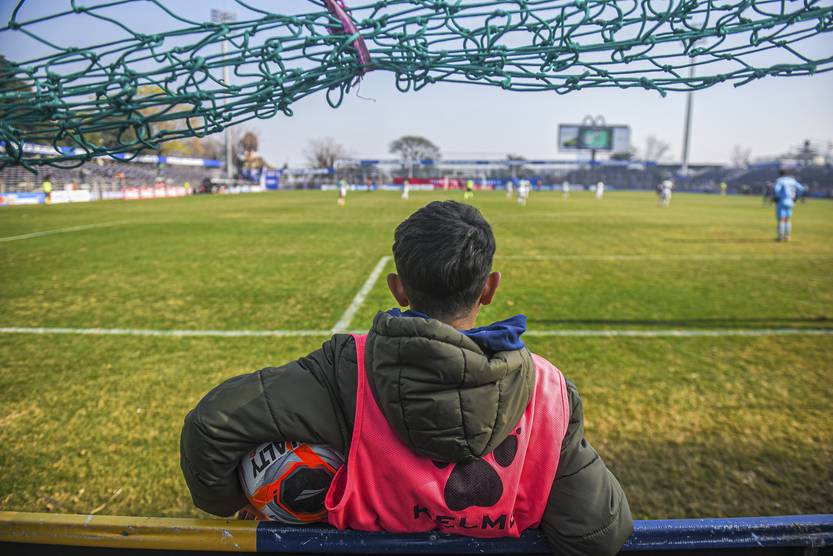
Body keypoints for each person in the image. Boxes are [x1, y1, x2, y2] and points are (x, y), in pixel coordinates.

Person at [180, 201, 631, 556]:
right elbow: (597, 536)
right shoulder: (549, 391)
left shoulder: (346, 370)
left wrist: (234, 502)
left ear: (398, 288)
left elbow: (211, 427)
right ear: (489, 289)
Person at [772, 168, 805, 242]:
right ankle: (787, 236)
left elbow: (776, 189)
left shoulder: (780, 180)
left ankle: (780, 237)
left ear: (779, 173)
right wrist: (796, 197)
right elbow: (801, 189)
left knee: (781, 219)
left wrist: (776, 197)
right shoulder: (792, 180)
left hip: (782, 201)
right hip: (791, 202)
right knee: (787, 219)